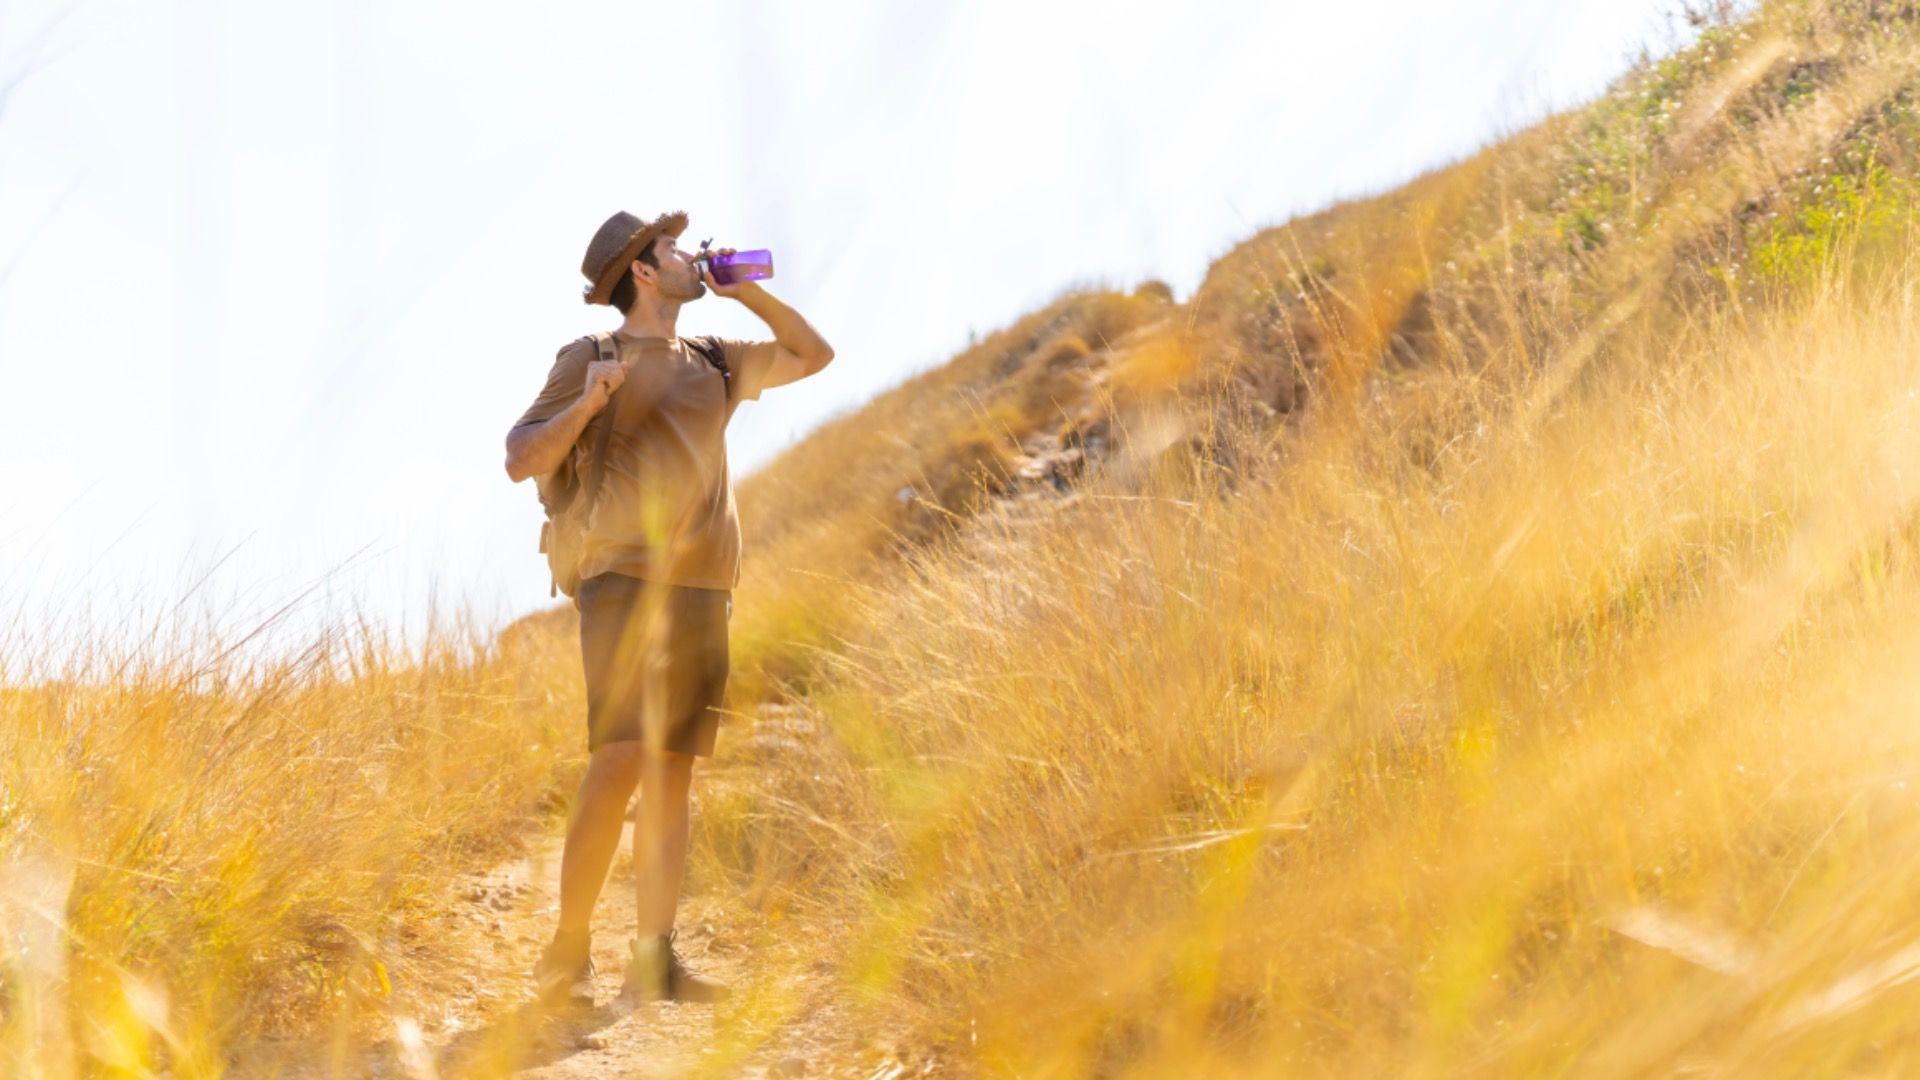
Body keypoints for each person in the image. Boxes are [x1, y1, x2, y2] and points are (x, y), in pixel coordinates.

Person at [503, 209, 833, 1006]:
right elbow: (519, 458)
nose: (692, 256)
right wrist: (585, 405)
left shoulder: (717, 360)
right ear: (643, 273)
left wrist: (745, 291)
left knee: (674, 772)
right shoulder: (593, 354)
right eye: (674, 249)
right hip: (621, 579)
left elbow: (813, 356)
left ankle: (654, 957)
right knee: (619, 758)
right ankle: (568, 949)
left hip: (701, 586)